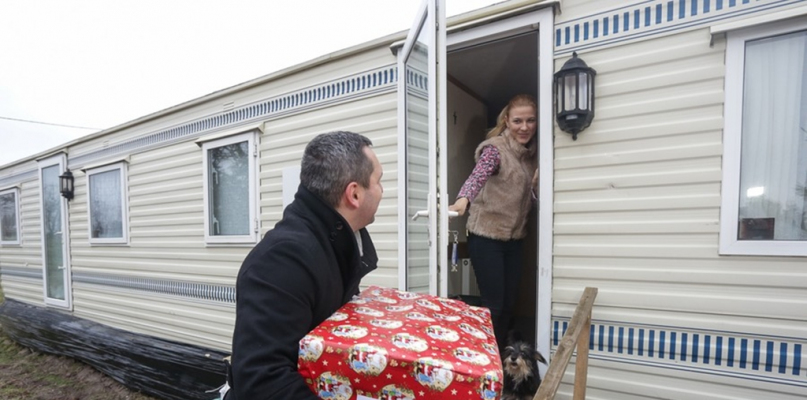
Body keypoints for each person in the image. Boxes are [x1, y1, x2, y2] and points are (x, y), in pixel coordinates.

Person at [228, 131, 382, 400]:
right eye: (379, 181)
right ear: (354, 193)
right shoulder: (282, 261)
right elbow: (262, 382)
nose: (382, 191)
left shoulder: (338, 242)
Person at [448, 94, 538, 353]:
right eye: (518, 121)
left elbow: (529, 198)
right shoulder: (495, 149)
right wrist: (463, 199)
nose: (524, 127)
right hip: (486, 237)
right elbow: (478, 175)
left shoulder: (532, 155)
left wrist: (535, 187)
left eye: (530, 120)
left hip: (514, 239)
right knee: (494, 306)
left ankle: (500, 353)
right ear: (507, 121)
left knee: (509, 304)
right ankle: (487, 358)